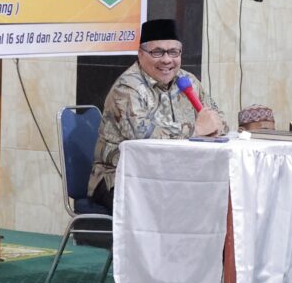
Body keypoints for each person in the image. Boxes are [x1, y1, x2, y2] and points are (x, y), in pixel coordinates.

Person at [88, 19, 228, 210]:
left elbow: (219, 119)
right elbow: (143, 135)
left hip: (171, 176)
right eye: (157, 52)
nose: (167, 60)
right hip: (121, 177)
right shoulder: (127, 87)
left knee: (218, 198)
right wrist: (196, 129)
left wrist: (214, 126)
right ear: (140, 54)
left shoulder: (188, 81)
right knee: (174, 207)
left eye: (173, 52)